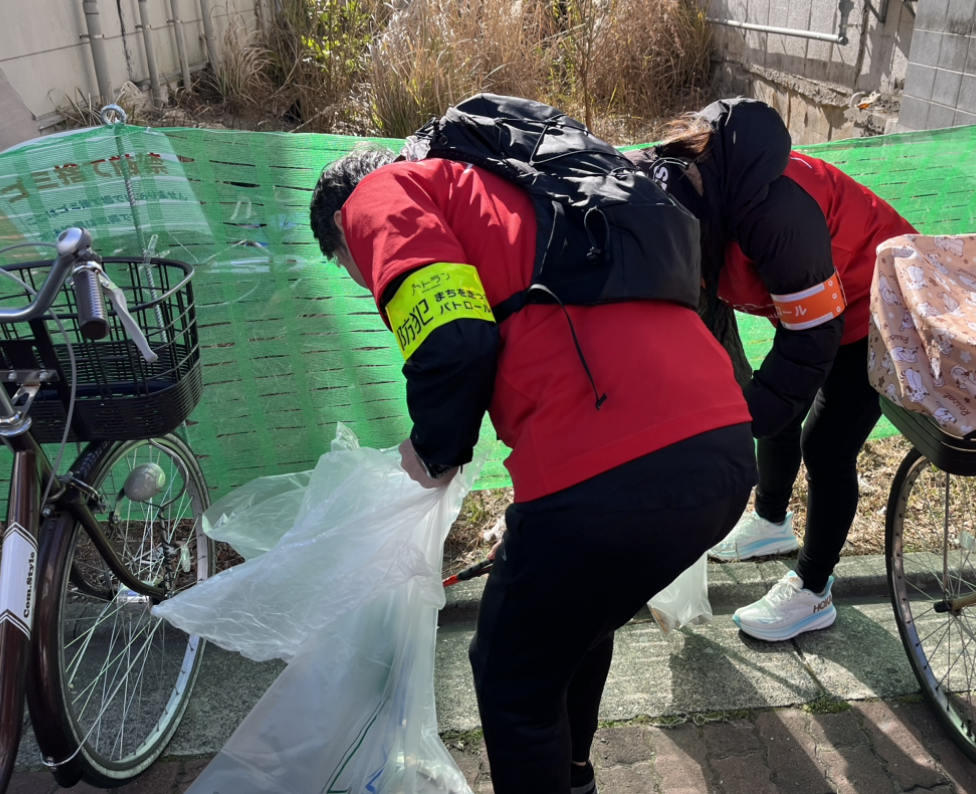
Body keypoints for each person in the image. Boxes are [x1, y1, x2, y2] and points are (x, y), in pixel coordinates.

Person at [307, 146, 757, 794]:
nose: (363, 279)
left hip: (609, 469)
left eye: (349, 266)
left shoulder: (379, 195)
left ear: (342, 229)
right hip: (720, 445)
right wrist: (537, 523)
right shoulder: (503, 187)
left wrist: (433, 452)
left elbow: (455, 340)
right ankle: (575, 777)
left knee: (510, 680)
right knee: (577, 621)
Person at [626, 98, 917, 643]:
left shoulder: (776, 215)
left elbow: (813, 338)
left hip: (877, 304)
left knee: (825, 445)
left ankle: (814, 591)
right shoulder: (672, 190)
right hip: (811, 303)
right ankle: (771, 523)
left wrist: (741, 426)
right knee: (768, 399)